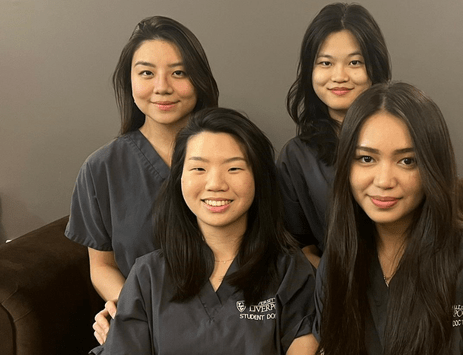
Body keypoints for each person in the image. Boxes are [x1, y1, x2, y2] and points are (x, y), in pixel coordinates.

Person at [315, 82, 463, 354]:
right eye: (366, 159)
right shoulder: (338, 261)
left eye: (407, 161)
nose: (384, 181)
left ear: (433, 167)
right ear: (346, 166)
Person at [95, 107, 317, 354]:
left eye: (234, 168)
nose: (216, 184)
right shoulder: (148, 276)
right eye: (199, 169)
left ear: (259, 178)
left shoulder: (290, 271)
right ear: (179, 178)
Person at [64, 15, 219, 343]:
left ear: (200, 79)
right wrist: (141, 313)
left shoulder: (233, 153)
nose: (162, 87)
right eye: (147, 73)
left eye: (179, 72)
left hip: (227, 320)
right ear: (129, 81)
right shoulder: (101, 169)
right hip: (145, 322)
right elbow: (101, 266)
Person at [277, 2, 391, 268]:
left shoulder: (407, 134)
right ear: (310, 71)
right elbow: (298, 245)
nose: (339, 76)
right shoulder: (297, 156)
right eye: (326, 63)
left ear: (375, 68)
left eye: (354, 62)